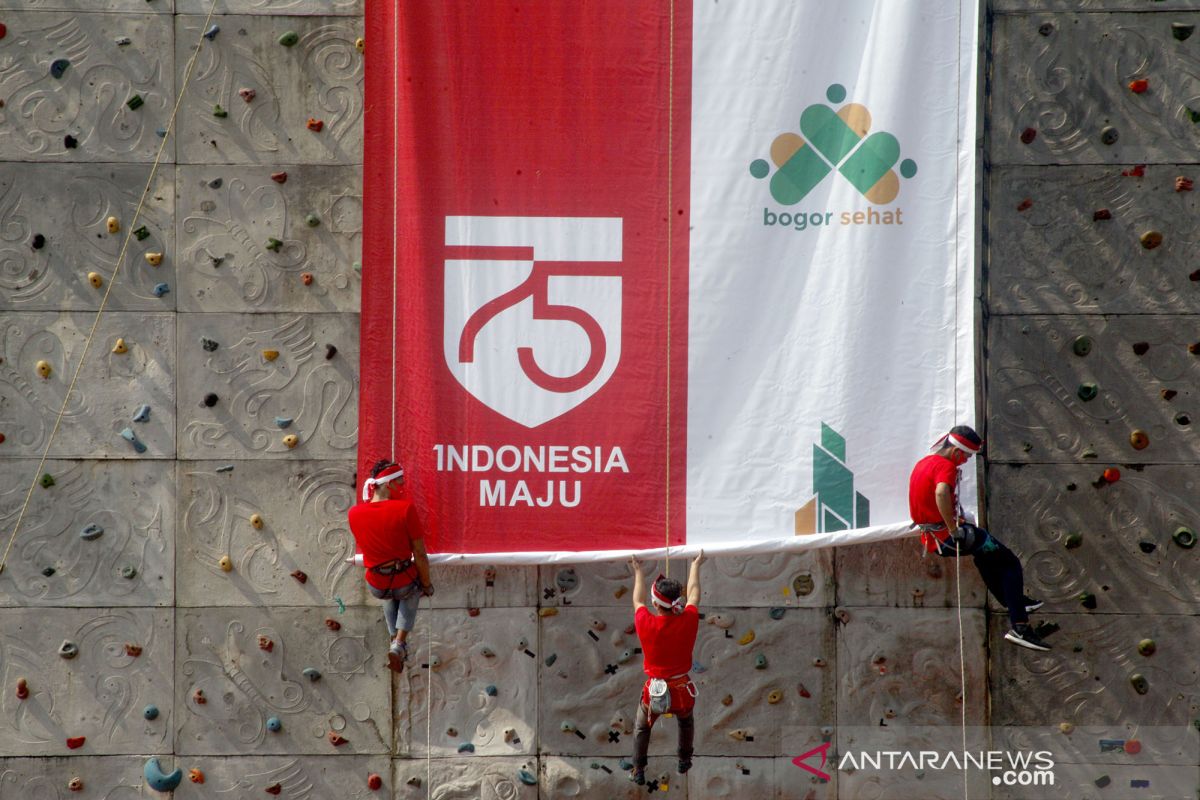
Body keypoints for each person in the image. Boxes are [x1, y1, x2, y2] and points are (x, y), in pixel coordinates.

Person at [909, 425, 1050, 651]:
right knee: (1010, 562)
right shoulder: (946, 466)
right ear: (956, 451)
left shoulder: (924, 462)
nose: (965, 461)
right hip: (946, 536)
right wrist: (953, 528)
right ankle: (1020, 627)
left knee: (986, 558)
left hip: (933, 539)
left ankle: (1013, 602)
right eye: (966, 456)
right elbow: (941, 492)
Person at [347, 459, 433, 672]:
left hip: (376, 584)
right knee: (413, 588)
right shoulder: (405, 509)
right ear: (389, 484)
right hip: (403, 580)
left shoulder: (354, 513)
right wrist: (427, 584)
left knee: (389, 593)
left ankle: (394, 641)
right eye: (400, 483)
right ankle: (399, 642)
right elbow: (420, 554)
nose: (402, 488)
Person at [628, 551, 704, 785]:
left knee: (642, 727)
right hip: (681, 688)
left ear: (655, 603)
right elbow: (694, 594)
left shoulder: (645, 621)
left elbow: (638, 600)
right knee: (686, 721)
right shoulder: (688, 619)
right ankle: (684, 759)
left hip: (654, 690)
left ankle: (638, 769)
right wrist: (695, 565)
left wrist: (638, 571)